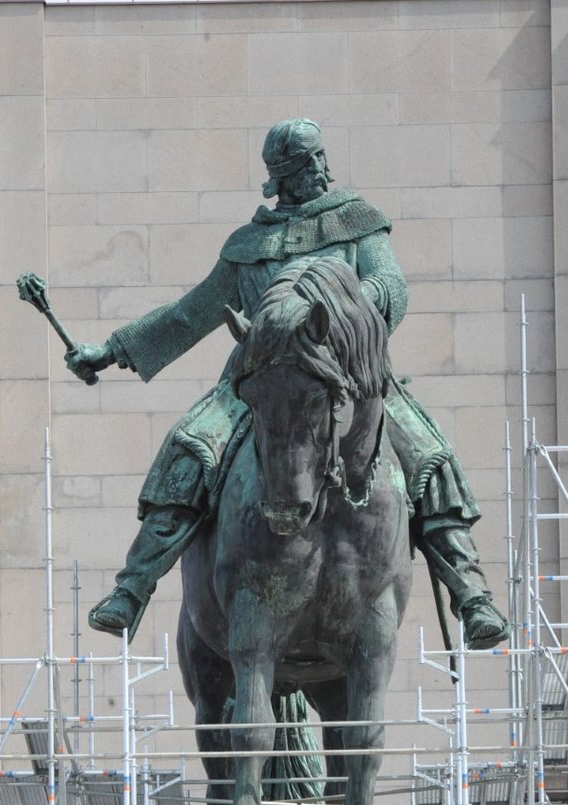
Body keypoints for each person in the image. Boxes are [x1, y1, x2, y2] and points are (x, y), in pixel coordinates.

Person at [65, 119, 509, 649]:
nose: (319, 170)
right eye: (306, 165)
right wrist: (111, 350)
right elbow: (191, 315)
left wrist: (342, 310)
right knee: (188, 453)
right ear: (283, 177)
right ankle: (132, 586)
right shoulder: (250, 245)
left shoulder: (357, 223)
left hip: (349, 380)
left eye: (320, 158)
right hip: (255, 384)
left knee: (428, 455)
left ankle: (471, 590)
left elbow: (390, 284)